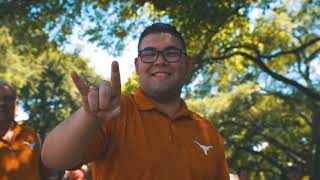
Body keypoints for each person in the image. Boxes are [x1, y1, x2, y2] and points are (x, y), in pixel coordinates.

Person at [41, 23, 230, 179]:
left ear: (187, 64)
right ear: (137, 66)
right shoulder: (112, 113)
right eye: (149, 54)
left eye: (171, 53)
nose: (160, 61)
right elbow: (52, 159)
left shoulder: (208, 132)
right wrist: (89, 115)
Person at [0, 81, 50, 179]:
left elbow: (45, 174)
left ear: (17, 104)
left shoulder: (32, 135)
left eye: (7, 99)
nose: (2, 103)